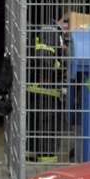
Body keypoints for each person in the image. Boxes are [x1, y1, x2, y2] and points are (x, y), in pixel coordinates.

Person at [25, 14, 69, 164]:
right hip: (46, 89)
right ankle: (46, 165)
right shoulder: (50, 31)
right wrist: (59, 69)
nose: (69, 28)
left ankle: (40, 159)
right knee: (48, 128)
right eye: (67, 22)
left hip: (42, 88)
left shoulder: (51, 32)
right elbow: (45, 59)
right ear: (61, 20)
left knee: (42, 127)